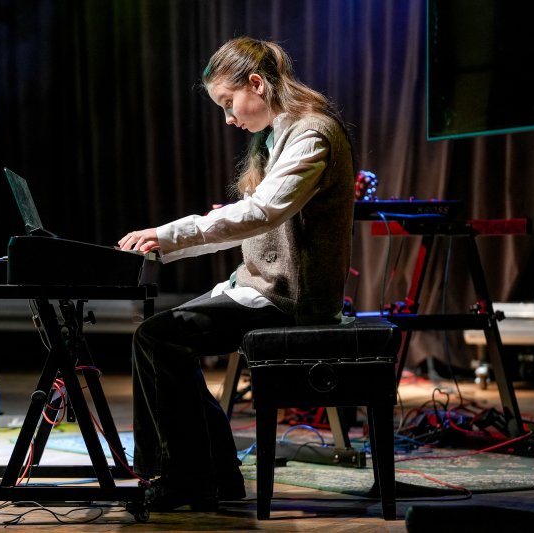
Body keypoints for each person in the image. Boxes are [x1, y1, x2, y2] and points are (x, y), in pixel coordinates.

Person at [117, 36, 356, 511]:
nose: (228, 118)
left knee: (157, 339)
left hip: (291, 301)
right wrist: (165, 244)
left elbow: (262, 213)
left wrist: (168, 234)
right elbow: (245, 222)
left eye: (228, 103)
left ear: (257, 84)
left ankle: (186, 477)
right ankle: (214, 475)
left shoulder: (312, 133)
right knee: (160, 339)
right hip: (260, 290)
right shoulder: (274, 138)